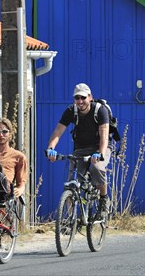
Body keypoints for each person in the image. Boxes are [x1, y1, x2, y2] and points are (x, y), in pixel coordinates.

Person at [46, 83, 111, 219]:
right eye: (77, 98)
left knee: (97, 168)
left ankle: (104, 200)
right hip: (80, 150)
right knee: (71, 183)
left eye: (83, 97)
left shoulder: (100, 110)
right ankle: (71, 220)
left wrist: (100, 154)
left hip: (100, 147)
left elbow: (104, 136)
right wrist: (51, 148)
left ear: (90, 97)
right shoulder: (71, 111)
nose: (80, 101)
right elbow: (58, 132)